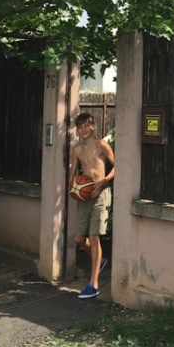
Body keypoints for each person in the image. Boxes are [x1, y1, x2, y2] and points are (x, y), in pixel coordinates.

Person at [69, 113, 115, 299]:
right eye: (80, 128)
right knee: (79, 239)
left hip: (100, 195)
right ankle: (100, 260)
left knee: (94, 237)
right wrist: (73, 189)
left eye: (86, 126)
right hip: (84, 197)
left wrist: (104, 181)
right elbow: (73, 172)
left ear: (93, 127)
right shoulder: (77, 149)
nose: (83, 130)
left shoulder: (102, 145)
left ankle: (93, 285)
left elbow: (117, 166)